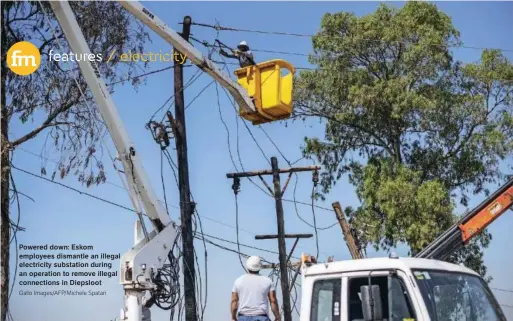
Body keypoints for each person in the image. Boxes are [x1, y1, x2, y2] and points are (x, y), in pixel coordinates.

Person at [231, 256, 281, 321]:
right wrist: (277, 317)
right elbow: (273, 301)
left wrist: (233, 317)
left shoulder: (238, 281)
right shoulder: (268, 281)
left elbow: (234, 301)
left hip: (243, 317)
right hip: (261, 317)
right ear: (260, 268)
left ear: (247, 267)